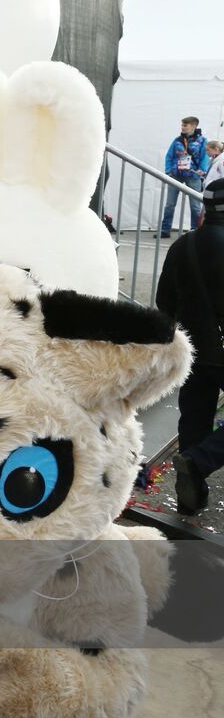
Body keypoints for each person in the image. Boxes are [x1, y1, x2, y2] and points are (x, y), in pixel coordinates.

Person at [156, 179, 224, 515]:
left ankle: (189, 498)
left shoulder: (183, 246)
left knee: (194, 418)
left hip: (192, 349)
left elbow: (163, 302)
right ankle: (198, 462)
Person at [158, 116, 208, 238]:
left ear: (194, 126)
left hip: (193, 176)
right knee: (170, 204)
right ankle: (165, 229)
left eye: (185, 125)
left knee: (195, 205)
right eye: (182, 125)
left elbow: (205, 157)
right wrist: (169, 171)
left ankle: (196, 230)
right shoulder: (177, 140)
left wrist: (202, 170)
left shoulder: (202, 141)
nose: (182, 127)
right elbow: (169, 156)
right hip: (176, 175)